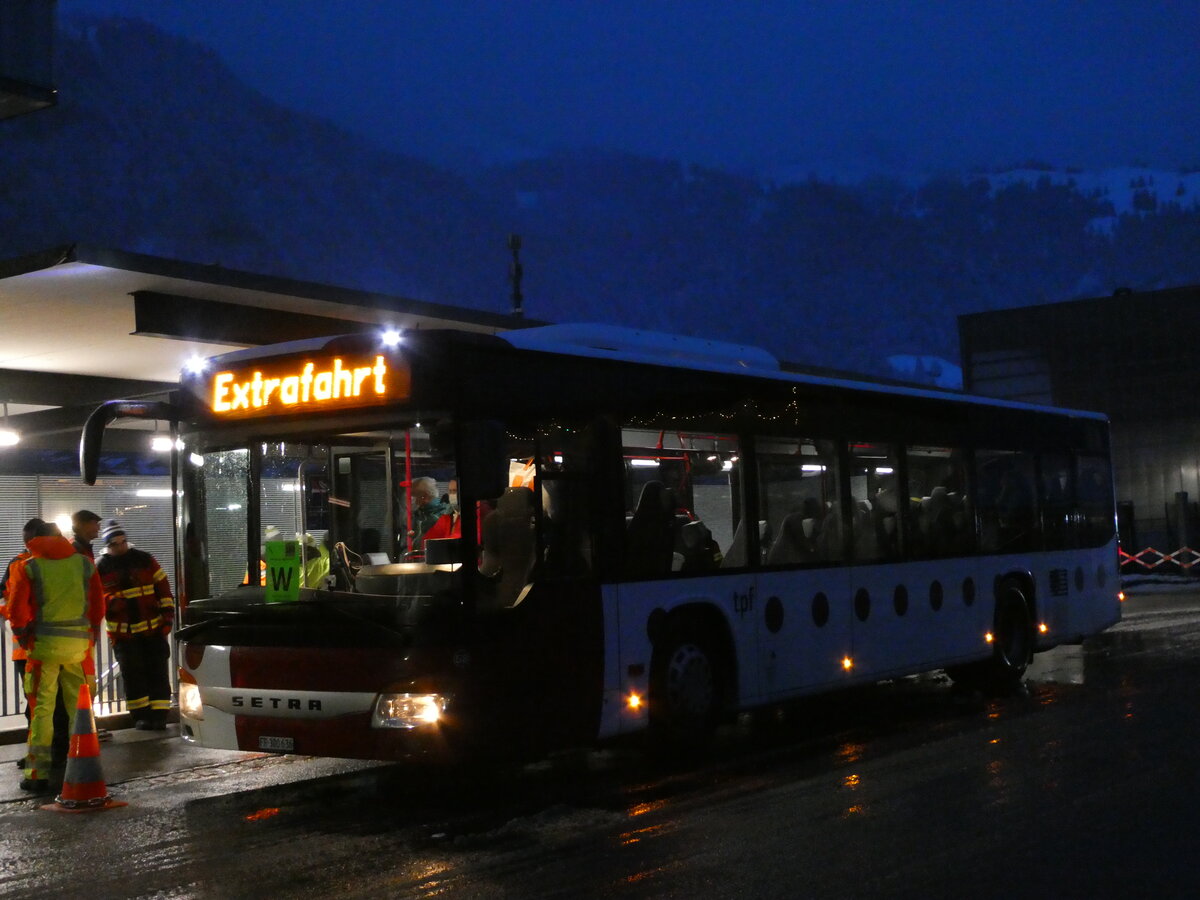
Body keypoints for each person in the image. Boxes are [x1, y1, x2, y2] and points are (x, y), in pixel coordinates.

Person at [6, 522, 105, 793]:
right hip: (79, 649)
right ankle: (81, 765)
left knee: (42, 710)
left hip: (43, 649)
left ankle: (37, 773)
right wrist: (88, 635)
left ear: (31, 539)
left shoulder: (29, 567)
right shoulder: (84, 564)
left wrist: (25, 637)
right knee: (79, 710)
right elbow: (98, 606)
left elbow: (16, 611)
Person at [1, 518, 69, 771]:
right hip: (55, 646)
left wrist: (22, 633)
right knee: (51, 704)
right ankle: (54, 752)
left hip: (32, 647)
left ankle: (45, 755)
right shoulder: (69, 563)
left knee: (42, 705)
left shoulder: (23, 565)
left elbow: (12, 605)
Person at [95, 520, 174, 730]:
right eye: (114, 543)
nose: (119, 546)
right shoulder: (100, 566)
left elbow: (163, 589)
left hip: (153, 630)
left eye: (122, 541)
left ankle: (160, 716)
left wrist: (167, 619)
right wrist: (113, 603)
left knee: (158, 674)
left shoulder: (145, 559)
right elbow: (95, 597)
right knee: (133, 676)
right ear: (108, 545)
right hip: (125, 637)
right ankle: (141, 716)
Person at [406, 476, 447, 551]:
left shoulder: (442, 514)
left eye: (413, 495)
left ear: (424, 496)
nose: (410, 499)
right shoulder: (419, 514)